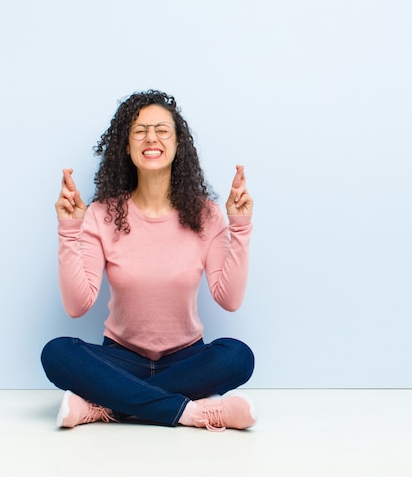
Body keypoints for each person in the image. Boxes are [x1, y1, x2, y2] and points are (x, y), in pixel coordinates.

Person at [41, 90, 256, 432]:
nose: (151, 138)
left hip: (187, 360)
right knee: (57, 353)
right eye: (139, 131)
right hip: (121, 359)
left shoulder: (208, 215)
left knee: (238, 357)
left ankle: (106, 406)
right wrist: (69, 230)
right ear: (127, 146)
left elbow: (228, 299)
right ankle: (192, 412)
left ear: (177, 144)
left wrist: (240, 228)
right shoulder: (101, 215)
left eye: (162, 130)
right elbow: (77, 306)